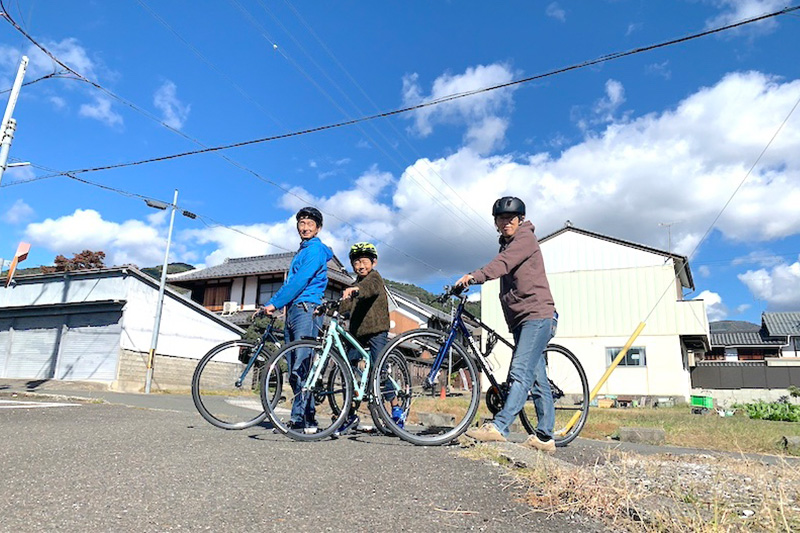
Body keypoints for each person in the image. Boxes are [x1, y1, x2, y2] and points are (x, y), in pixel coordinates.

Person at [455, 196, 558, 453]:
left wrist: (474, 277)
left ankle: (499, 427)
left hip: (537, 315)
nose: (506, 222)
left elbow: (502, 265)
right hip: (523, 320)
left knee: (520, 372)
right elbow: (503, 263)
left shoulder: (525, 239)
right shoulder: (507, 245)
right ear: (496, 223)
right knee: (536, 378)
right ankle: (545, 437)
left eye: (511, 218)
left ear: (520, 219)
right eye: (501, 219)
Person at [255, 206, 333, 434]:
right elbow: (292, 284)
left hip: (307, 308)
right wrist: (281, 305)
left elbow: (298, 282)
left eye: (310, 223)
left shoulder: (315, 251)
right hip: (295, 309)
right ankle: (306, 419)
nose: (305, 227)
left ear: (318, 228)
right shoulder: (303, 250)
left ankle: (302, 420)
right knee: (295, 367)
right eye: (302, 223)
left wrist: (274, 303)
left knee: (301, 365)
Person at [337, 242, 404, 434]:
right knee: (347, 369)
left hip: (377, 331)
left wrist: (356, 290)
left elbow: (370, 288)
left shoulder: (374, 278)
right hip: (357, 334)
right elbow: (345, 308)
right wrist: (336, 305)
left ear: (373, 262)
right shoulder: (354, 285)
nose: (360, 265)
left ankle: (396, 407)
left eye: (364, 261)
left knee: (379, 370)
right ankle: (349, 414)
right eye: (356, 262)